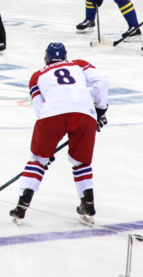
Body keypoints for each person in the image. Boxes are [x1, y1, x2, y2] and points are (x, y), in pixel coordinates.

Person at [9, 42, 108, 225]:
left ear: (46, 59)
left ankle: (22, 205)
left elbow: (41, 111)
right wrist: (100, 111)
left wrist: (47, 150)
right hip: (85, 114)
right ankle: (87, 204)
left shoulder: (37, 76)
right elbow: (101, 79)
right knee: (81, 161)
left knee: (38, 159)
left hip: (53, 114)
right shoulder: (78, 64)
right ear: (65, 57)